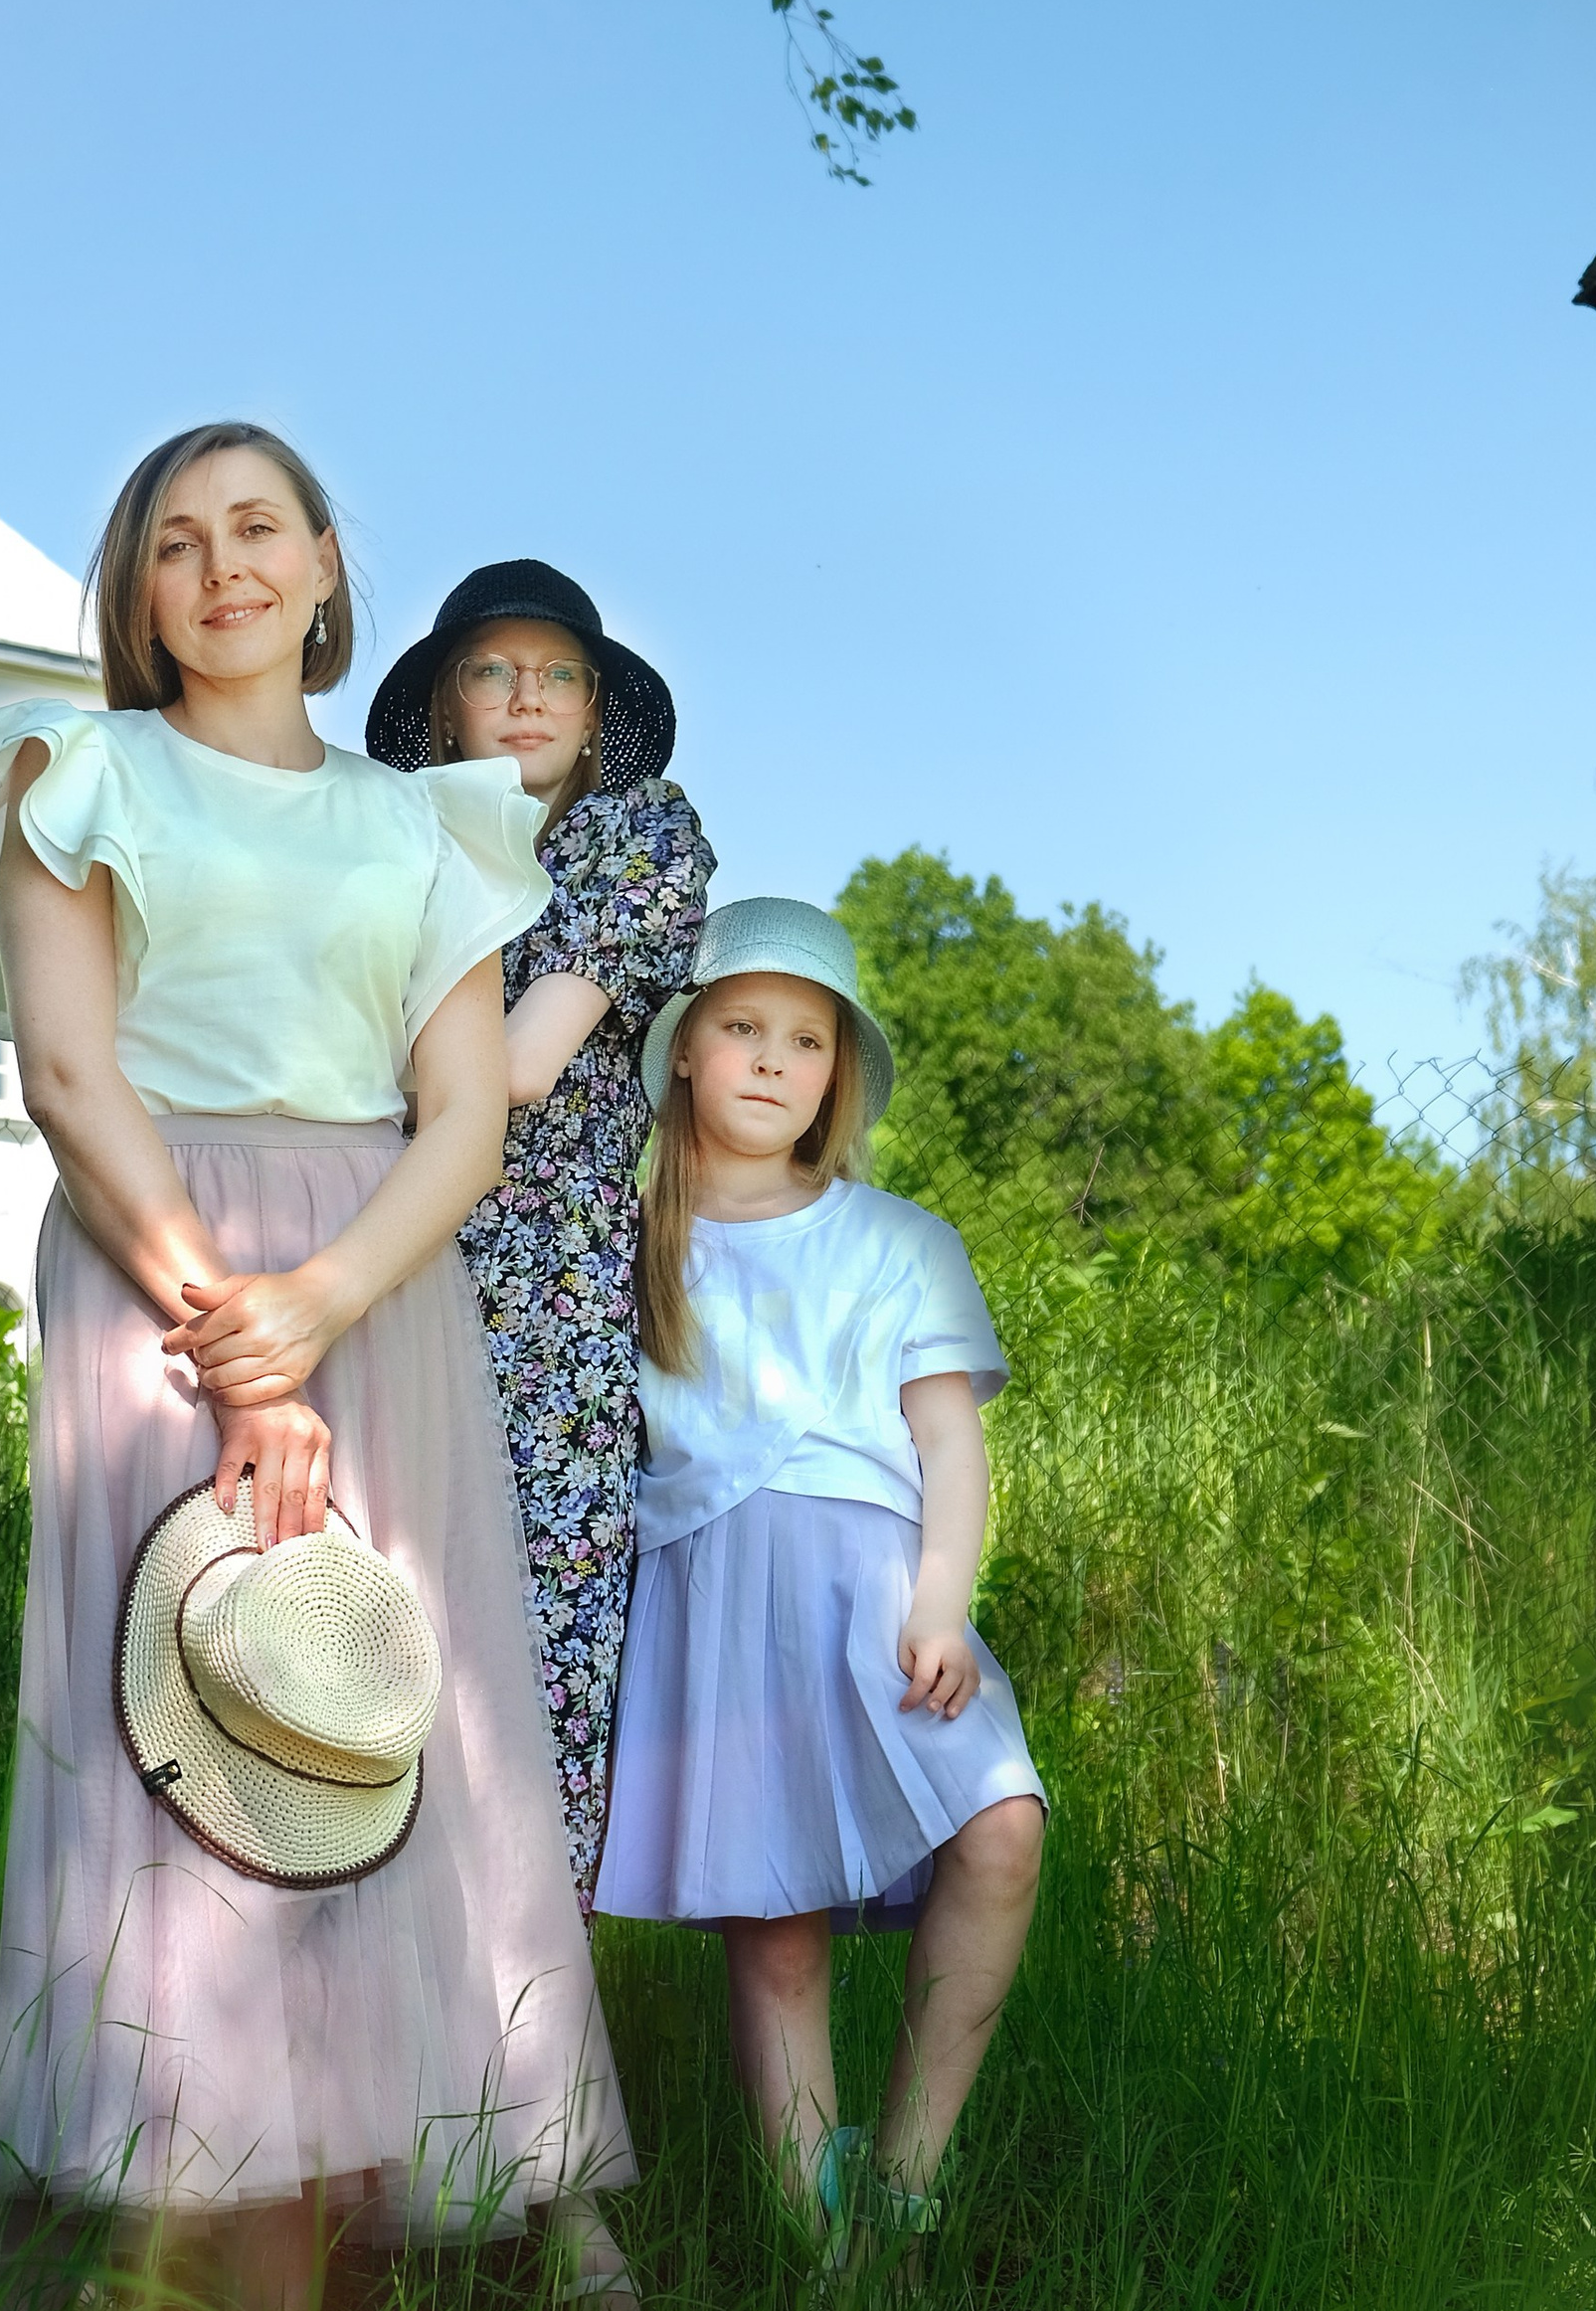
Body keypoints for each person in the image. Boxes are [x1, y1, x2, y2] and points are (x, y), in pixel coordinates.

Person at [0, 428, 636, 2309]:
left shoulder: (431, 826)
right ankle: (193, 2214)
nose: (222, 565)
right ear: (138, 596)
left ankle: (325, 2222)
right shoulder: (78, 775)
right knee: (186, 1733)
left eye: (258, 529)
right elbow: (73, 1079)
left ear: (326, 569)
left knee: (363, 1727)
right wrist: (242, 1356)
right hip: (157, 1266)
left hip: (376, 1279)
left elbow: (467, 1121)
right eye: (177, 543)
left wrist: (318, 1310)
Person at [596, 896, 1045, 2264]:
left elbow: (947, 1440)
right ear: (685, 1048)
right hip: (722, 1602)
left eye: (808, 1039)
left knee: (1002, 1829)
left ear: (838, 1071)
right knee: (778, 1932)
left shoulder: (899, 1239)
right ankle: (821, 2252)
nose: (775, 1061)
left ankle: (903, 2181)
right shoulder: (629, 1241)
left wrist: (940, 1599)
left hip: (878, 1590)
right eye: (743, 1028)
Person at [365, 561, 713, 1906]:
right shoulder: (385, 842)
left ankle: (521, 2037)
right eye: (492, 673)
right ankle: (366, 2014)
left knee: (538, 1631)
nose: (527, 699)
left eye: (557, 674)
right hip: (382, 1247)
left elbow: (512, 1069)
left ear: (593, 707)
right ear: (444, 709)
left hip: (549, 1290)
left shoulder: (638, 837)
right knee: (375, 1617)